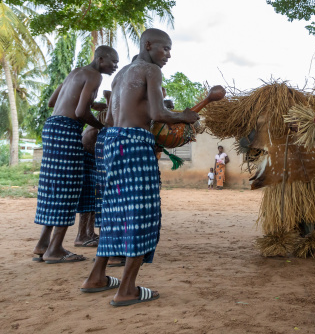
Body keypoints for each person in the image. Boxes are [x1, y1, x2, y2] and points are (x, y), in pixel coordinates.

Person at [80, 28, 200, 306]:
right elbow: (159, 114)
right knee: (141, 214)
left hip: (111, 143)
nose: (168, 55)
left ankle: (96, 277)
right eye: (165, 48)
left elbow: (110, 118)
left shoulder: (121, 74)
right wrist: (183, 116)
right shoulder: (150, 70)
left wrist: (152, 113)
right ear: (148, 45)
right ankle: (127, 290)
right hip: (135, 143)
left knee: (113, 210)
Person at [32, 46, 119, 263]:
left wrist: (92, 103)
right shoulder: (95, 75)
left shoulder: (75, 73)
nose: (115, 67)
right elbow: (80, 112)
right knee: (69, 187)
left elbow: (54, 102)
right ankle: (55, 250)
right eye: (113, 62)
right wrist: (102, 126)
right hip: (68, 130)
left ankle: (43, 243)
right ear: (100, 59)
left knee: (53, 185)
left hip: (52, 127)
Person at [74, 125, 100, 247]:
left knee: (93, 201)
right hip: (87, 164)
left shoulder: (96, 129)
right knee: (87, 201)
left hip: (92, 164)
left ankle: (90, 232)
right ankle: (81, 235)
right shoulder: (94, 129)